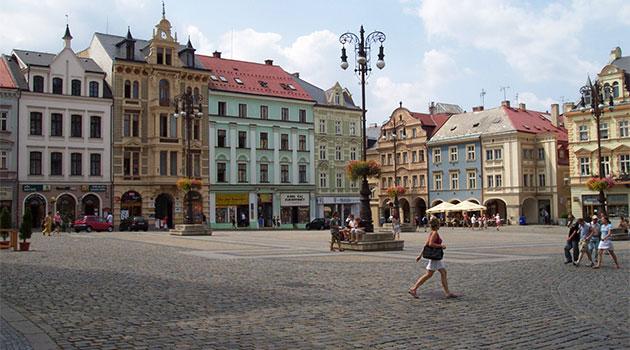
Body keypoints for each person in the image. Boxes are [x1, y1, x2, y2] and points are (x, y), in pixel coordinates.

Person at [408, 219, 456, 299]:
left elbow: (426, 245)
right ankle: (414, 289)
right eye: (439, 224)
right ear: (437, 225)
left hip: (435, 257)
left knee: (438, 273)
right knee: (433, 274)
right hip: (435, 257)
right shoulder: (435, 233)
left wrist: (420, 255)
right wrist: (441, 246)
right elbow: (430, 244)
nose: (440, 225)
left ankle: (447, 292)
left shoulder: (432, 233)